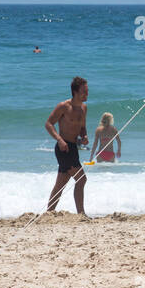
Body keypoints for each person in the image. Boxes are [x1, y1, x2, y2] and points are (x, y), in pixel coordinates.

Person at [46, 77, 89, 213]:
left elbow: (82, 127)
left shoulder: (83, 108)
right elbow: (48, 124)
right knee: (81, 179)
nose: (87, 94)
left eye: (87, 91)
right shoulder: (64, 106)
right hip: (63, 149)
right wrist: (59, 139)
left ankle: (49, 212)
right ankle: (81, 213)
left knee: (61, 184)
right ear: (75, 92)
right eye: (84, 91)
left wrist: (84, 136)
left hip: (73, 148)